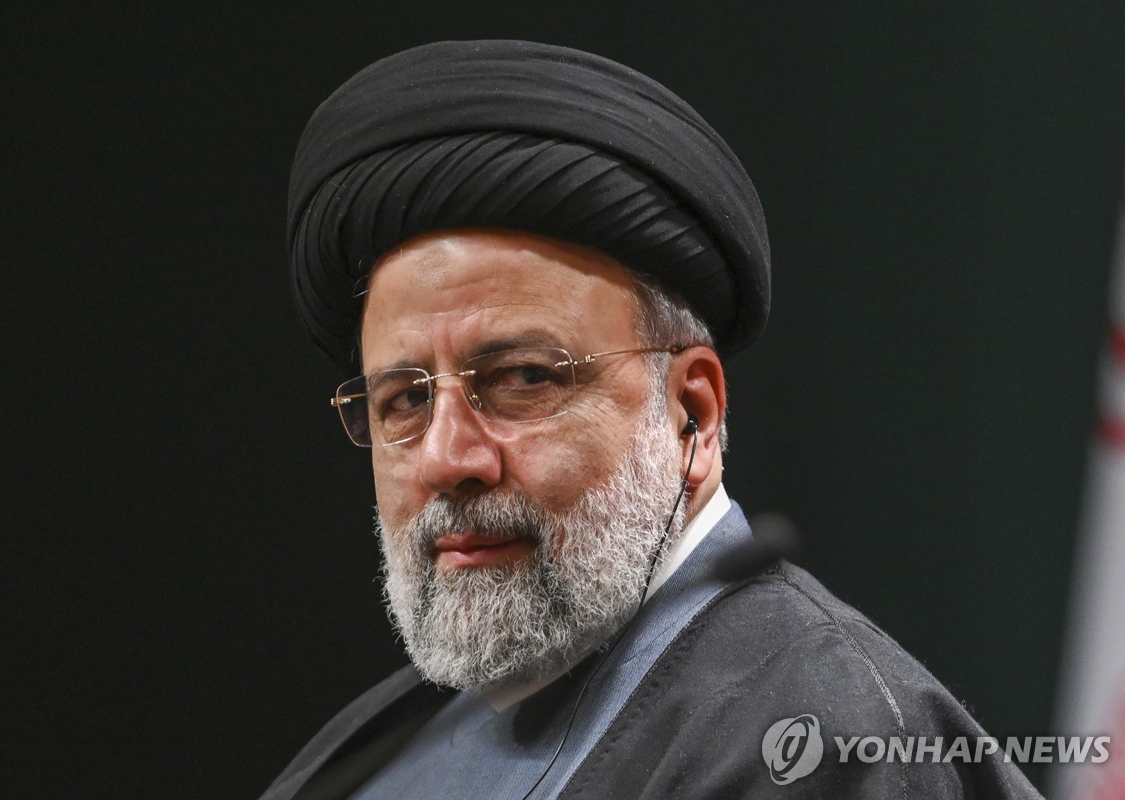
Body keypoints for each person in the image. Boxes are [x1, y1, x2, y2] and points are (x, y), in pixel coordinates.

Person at [261, 40, 1043, 799]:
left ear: (692, 414)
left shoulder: (818, 742)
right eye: (405, 399)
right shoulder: (380, 749)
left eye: (523, 379)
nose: (445, 458)